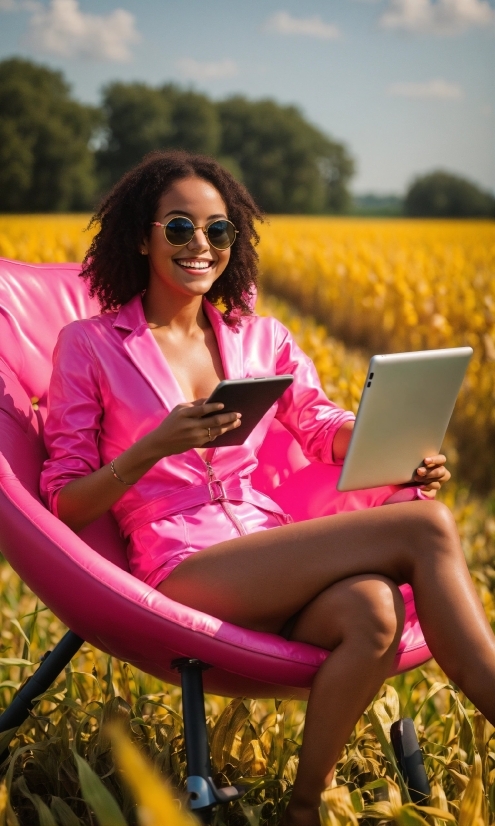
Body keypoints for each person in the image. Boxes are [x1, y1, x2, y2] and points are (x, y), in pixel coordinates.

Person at [40, 150, 495, 826]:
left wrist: (396, 452)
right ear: (142, 235)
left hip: (265, 542)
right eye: (179, 228)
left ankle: (303, 809)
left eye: (218, 230)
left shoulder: (261, 338)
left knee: (371, 610)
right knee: (424, 526)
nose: (201, 244)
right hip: (182, 566)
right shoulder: (92, 345)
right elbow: (67, 502)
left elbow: (320, 424)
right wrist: (156, 444)